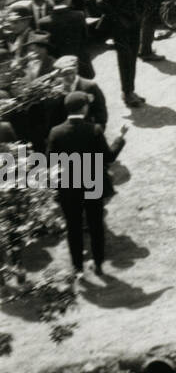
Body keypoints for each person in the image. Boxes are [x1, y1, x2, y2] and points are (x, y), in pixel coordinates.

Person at [45, 92, 126, 281]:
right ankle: (98, 264)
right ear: (84, 108)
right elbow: (109, 157)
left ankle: (77, 267)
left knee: (73, 227)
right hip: (92, 183)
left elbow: (50, 161)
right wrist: (120, 138)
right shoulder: (94, 130)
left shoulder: (55, 132)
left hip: (68, 186)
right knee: (96, 225)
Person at [94, 0, 146, 108]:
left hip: (133, 24)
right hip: (121, 27)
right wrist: (119, 19)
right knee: (126, 59)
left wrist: (139, 14)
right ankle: (128, 93)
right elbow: (101, 1)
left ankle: (129, 90)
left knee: (131, 58)